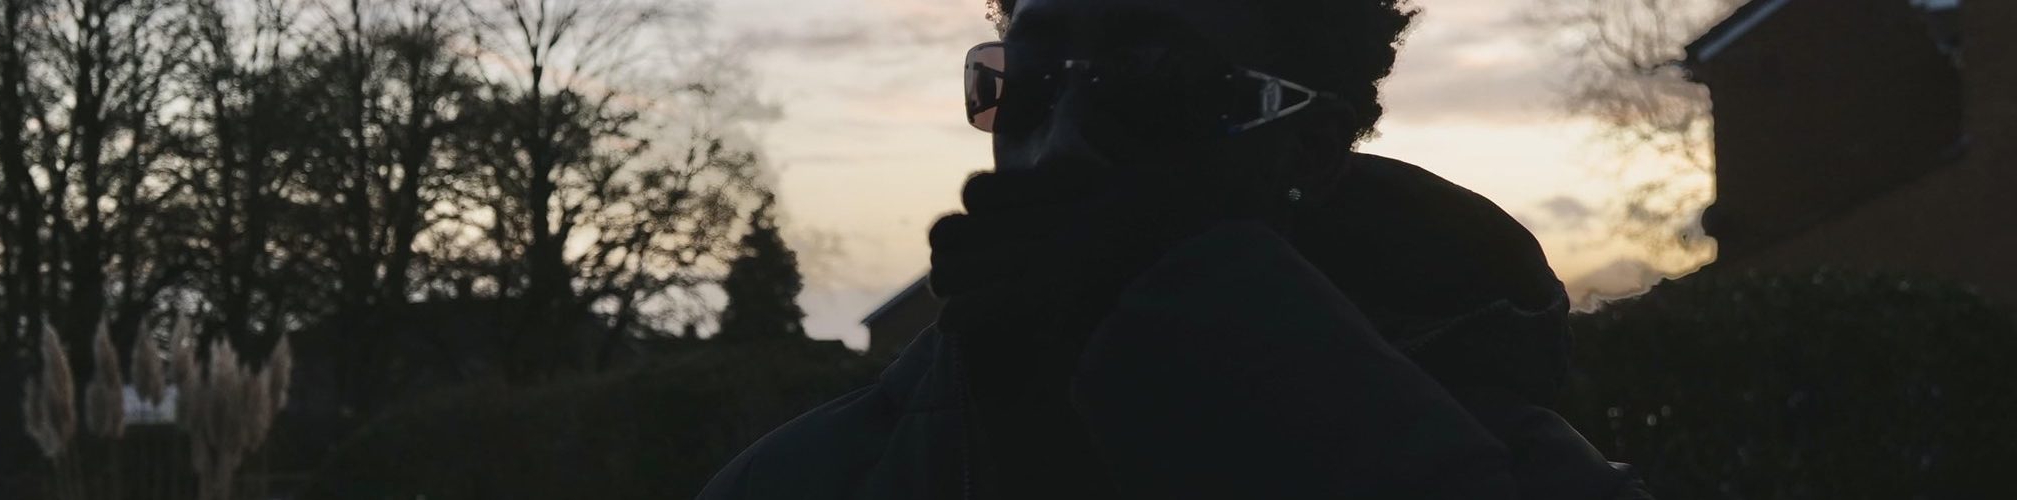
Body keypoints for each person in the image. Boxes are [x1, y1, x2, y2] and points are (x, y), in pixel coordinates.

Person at [699, 0, 1652, 498]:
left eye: (1153, 80)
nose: (1065, 139)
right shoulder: (800, 483)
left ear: (1308, 148)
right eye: (1030, 77)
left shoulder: (1504, 468)